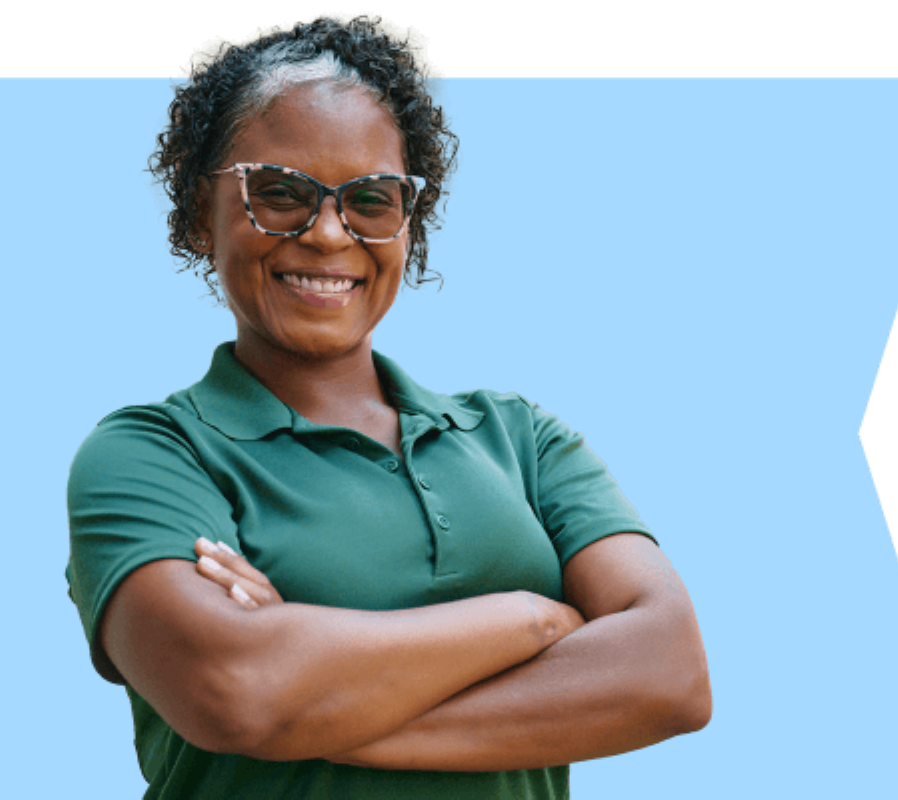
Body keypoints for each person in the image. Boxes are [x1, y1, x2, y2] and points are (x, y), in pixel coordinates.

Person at [65, 16, 711, 800]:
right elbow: (233, 688)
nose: (329, 232)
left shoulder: (522, 441)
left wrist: (310, 702)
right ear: (204, 214)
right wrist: (533, 619)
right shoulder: (152, 456)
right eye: (279, 193)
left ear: (408, 222)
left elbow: (670, 673)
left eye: (372, 200)